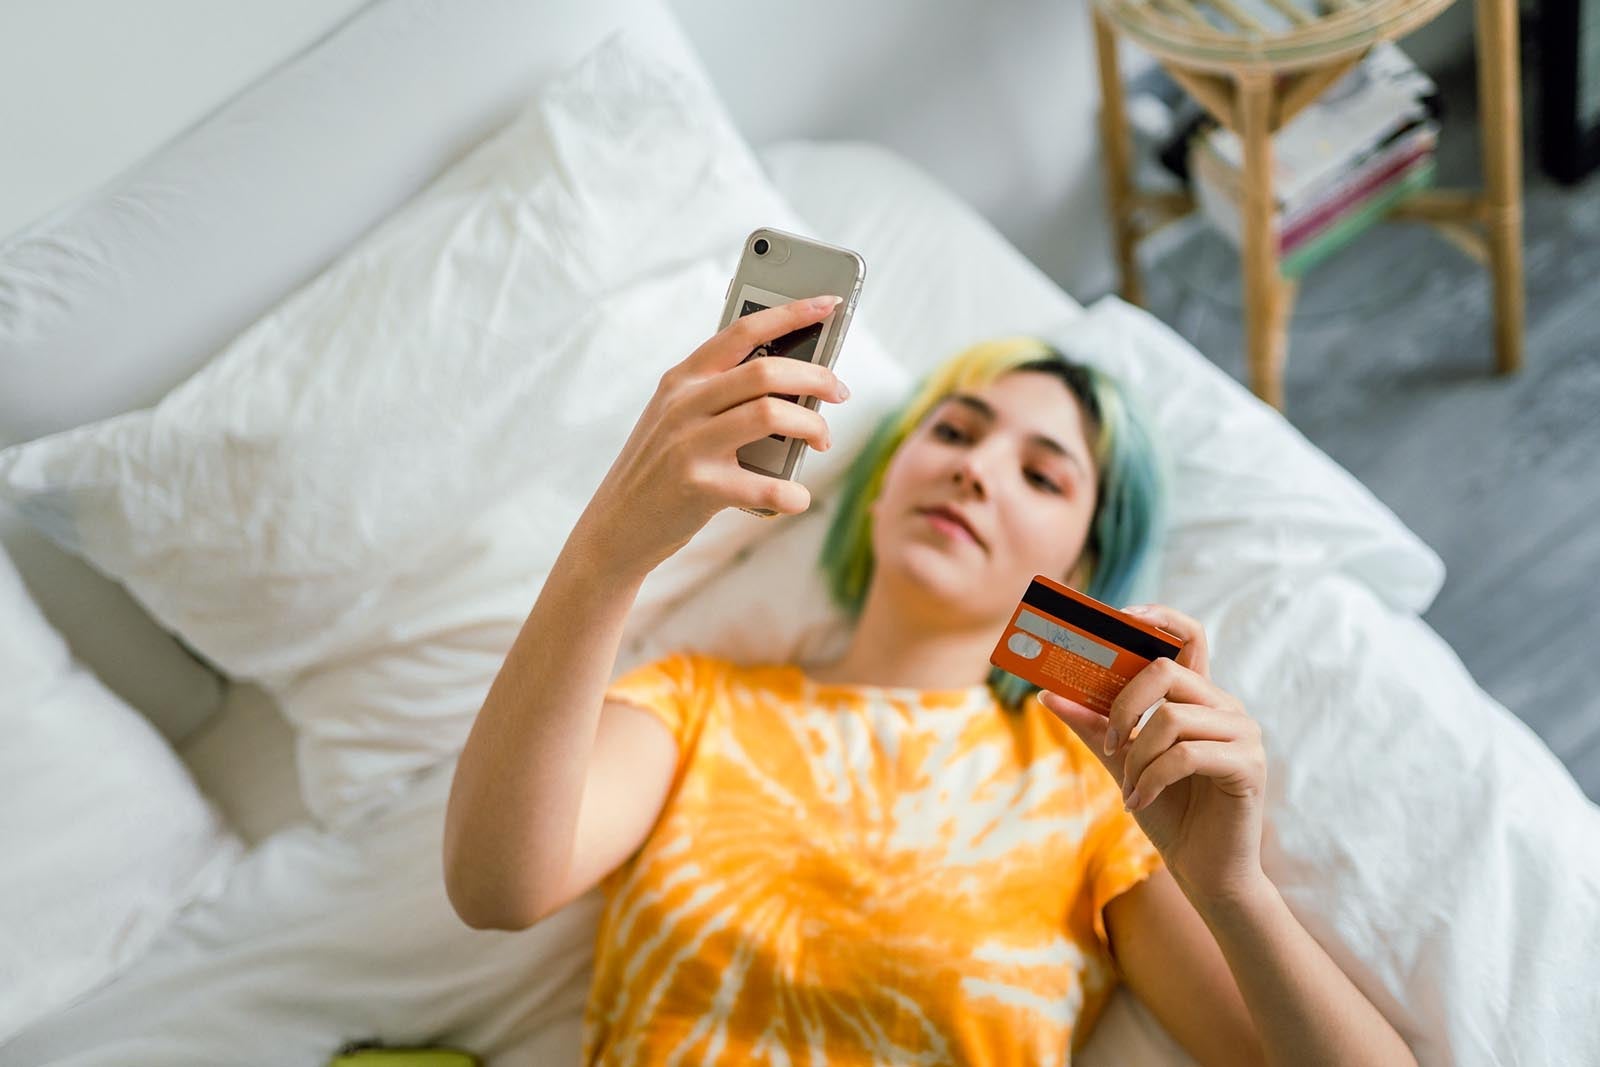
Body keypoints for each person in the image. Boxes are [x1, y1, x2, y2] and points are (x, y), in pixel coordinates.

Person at [443, 295, 1417, 1065]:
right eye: (954, 432)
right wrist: (606, 556)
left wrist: (1233, 888)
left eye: (1042, 476)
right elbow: (496, 887)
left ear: (1079, 571)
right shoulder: (701, 704)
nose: (977, 471)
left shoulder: (1092, 791)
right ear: (881, 479)